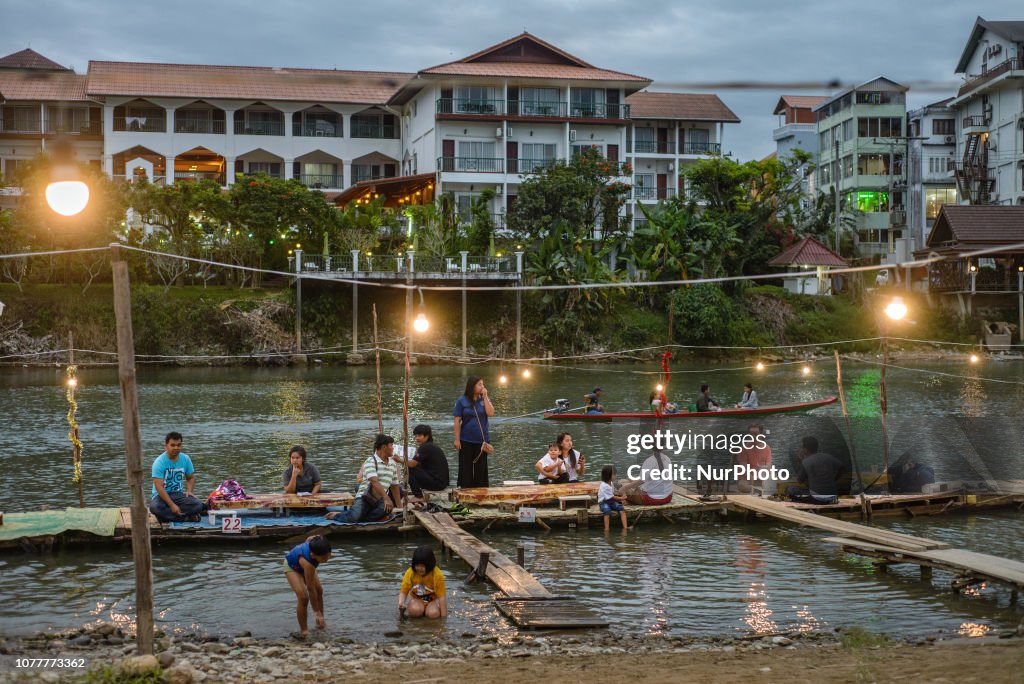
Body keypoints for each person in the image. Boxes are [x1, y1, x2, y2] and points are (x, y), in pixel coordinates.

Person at [326, 435, 401, 523]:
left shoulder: (392, 463)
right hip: (365, 497)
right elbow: (374, 482)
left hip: (380, 499)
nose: (393, 448)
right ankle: (336, 515)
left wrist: (400, 508)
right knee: (353, 518)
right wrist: (387, 498)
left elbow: (395, 486)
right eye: (391, 445)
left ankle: (361, 517)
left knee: (388, 509)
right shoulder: (370, 460)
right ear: (384, 447)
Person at [149, 431, 206, 523]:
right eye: (173, 445)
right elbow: (159, 487)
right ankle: (186, 518)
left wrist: (189, 491)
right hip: (161, 496)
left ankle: (167, 517)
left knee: (198, 505)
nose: (176, 448)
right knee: (155, 508)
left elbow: (190, 478)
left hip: (178, 494)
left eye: (178, 445)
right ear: (166, 445)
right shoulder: (159, 462)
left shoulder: (185, 459)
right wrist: (172, 505)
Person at [284, 535, 332, 637]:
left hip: (305, 565)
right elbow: (310, 588)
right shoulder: (309, 563)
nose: (327, 559)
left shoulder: (317, 542)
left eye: (328, 555)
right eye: (323, 558)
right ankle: (304, 630)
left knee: (319, 590)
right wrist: (316, 611)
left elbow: (311, 538)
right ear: (313, 555)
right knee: (303, 597)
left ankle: (320, 623)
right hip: (292, 566)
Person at [453, 376, 495, 488]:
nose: (482, 387)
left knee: (481, 468)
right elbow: (457, 421)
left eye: (483, 384)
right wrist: (457, 440)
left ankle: (481, 491)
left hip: (482, 440)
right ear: (472, 386)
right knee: (465, 467)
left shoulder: (483, 400)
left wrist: (485, 396)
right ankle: (466, 490)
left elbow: (490, 413)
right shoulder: (462, 401)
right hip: (466, 439)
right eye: (479, 384)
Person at [786, 436, 846, 504]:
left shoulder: (806, 462)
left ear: (805, 450)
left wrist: (801, 461)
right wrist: (835, 479)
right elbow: (843, 468)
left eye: (802, 447)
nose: (801, 449)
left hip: (818, 499)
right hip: (833, 497)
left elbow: (799, 480)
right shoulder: (827, 456)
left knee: (790, 489)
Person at [398, 545, 448, 619]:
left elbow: (442, 598)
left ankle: (429, 612)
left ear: (429, 565)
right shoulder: (410, 573)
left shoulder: (437, 575)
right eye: (417, 565)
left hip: (433, 601)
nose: (419, 568)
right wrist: (401, 603)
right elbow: (404, 591)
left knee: (433, 614)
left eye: (422, 566)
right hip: (417, 600)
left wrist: (444, 619)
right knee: (414, 611)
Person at [407, 424, 450, 502]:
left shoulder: (425, 447)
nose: (417, 438)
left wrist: (399, 459)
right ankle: (418, 493)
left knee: (410, 468)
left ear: (427, 436)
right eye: (416, 436)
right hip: (442, 483)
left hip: (437, 484)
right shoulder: (429, 446)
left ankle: (418, 496)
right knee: (416, 466)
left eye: (419, 436)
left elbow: (412, 464)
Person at [735, 424, 772, 494]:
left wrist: (763, 468)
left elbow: (769, 465)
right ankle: (758, 490)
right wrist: (753, 481)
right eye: (751, 434)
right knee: (742, 485)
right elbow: (744, 469)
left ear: (760, 434)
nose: (753, 436)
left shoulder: (767, 448)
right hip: (746, 479)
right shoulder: (744, 448)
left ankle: (758, 490)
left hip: (761, 476)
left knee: (772, 482)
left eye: (756, 434)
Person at [598, 465, 629, 532]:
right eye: (614, 474)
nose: (615, 476)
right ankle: (606, 529)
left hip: (611, 501)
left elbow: (613, 494)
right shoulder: (604, 486)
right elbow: (613, 497)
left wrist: (621, 500)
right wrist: (622, 498)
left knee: (621, 509)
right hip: (603, 502)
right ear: (608, 476)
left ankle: (625, 527)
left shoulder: (611, 483)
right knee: (607, 511)